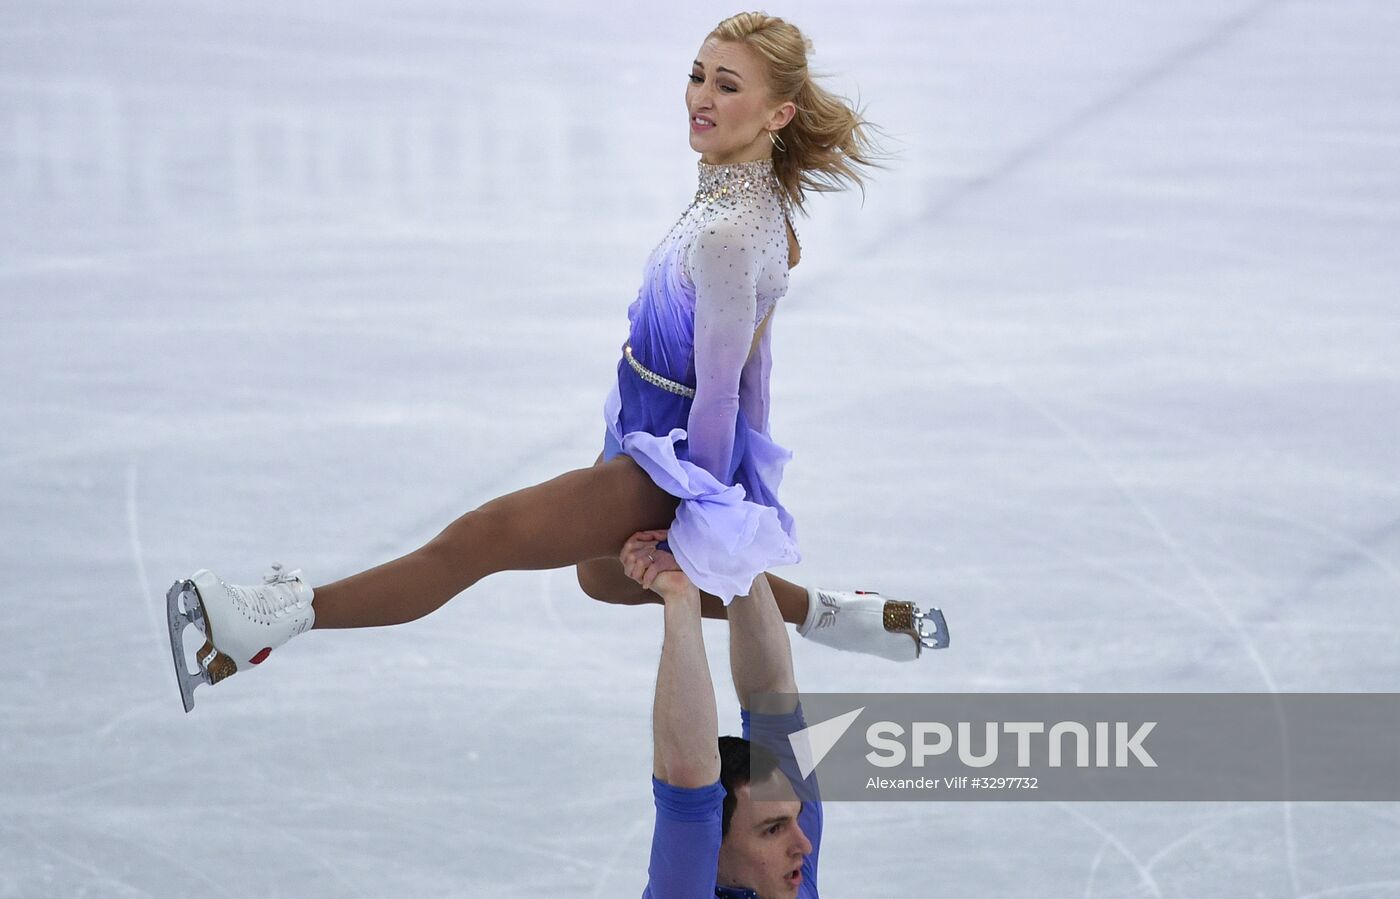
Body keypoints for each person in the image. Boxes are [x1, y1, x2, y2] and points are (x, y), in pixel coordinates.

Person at [163, 12, 948, 713]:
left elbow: (721, 393)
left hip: (672, 453)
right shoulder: (741, 191)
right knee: (603, 575)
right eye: (698, 74)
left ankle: (269, 620)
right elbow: (758, 367)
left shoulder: (733, 230)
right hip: (643, 424)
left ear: (777, 112)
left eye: (727, 85)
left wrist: (706, 513)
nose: (701, 96)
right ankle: (836, 615)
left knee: (480, 538)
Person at [624, 528, 820, 898]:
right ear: (709, 848)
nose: (805, 846)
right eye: (773, 829)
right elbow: (687, 776)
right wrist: (679, 594)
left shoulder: (787, 881)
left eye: (792, 819)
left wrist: (738, 541)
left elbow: (774, 701)